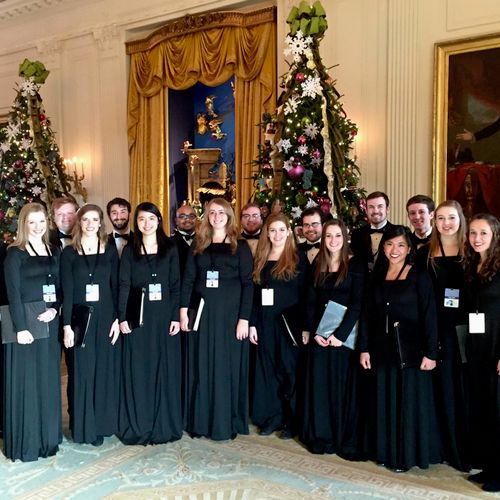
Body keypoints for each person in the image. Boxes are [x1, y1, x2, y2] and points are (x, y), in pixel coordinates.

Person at [359, 225, 440, 472]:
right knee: (384, 399)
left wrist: (431, 353)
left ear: (409, 249)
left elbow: (429, 316)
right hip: (381, 348)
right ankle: (384, 451)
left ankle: (404, 456)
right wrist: (364, 348)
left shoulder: (419, 275)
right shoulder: (377, 275)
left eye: (401, 245)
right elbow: (367, 315)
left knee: (407, 401)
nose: (395, 250)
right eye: (390, 244)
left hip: (411, 350)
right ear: (383, 247)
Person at [180, 197, 253, 440]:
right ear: (207, 216)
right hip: (202, 315)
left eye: (221, 212)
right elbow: (188, 279)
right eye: (212, 212)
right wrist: (182, 311)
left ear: (229, 215)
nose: (217, 216)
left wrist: (244, 318)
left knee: (226, 366)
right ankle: (201, 422)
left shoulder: (240, 246)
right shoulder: (198, 245)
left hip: (231, 318)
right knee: (202, 365)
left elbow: (248, 283)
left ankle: (225, 422)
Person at [118, 202, 182, 445]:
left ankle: (164, 423)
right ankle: (141, 422)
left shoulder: (170, 248)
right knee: (140, 367)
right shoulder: (129, 250)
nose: (147, 224)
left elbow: (175, 285)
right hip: (138, 317)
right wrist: (123, 318)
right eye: (142, 219)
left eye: (151, 219)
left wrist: (176, 316)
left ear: (159, 221)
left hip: (164, 317)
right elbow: (124, 284)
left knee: (163, 368)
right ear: (136, 222)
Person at [300, 219, 365, 457]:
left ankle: (340, 436)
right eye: (328, 236)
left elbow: (358, 304)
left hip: (343, 339)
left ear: (345, 238)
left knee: (340, 387)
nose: (333, 241)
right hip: (319, 336)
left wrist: (339, 335)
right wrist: (311, 330)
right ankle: (321, 434)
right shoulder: (318, 262)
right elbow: (309, 299)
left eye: (337, 236)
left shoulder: (355, 264)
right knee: (320, 387)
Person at [3, 203, 62, 461]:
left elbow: (59, 287)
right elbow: (12, 294)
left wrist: (54, 310)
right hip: (24, 328)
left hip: (47, 322)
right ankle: (27, 443)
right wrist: (21, 329)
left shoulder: (52, 249)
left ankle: (47, 439)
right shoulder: (14, 254)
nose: (37, 227)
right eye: (32, 222)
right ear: (24, 225)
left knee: (47, 380)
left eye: (41, 222)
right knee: (26, 383)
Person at [61, 204, 120, 446]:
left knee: (104, 372)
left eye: (95, 219)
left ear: (100, 223)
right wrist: (66, 326)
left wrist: (118, 319)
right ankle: (85, 428)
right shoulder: (69, 253)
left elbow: (115, 286)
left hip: (106, 318)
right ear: (79, 222)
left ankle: (103, 425)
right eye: (85, 219)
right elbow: (66, 290)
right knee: (82, 372)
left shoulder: (109, 250)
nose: (90, 224)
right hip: (79, 320)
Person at [417, 200, 470, 471]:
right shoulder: (426, 253)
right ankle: (440, 447)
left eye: (451, 217)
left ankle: (462, 448)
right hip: (435, 327)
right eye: (440, 218)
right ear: (434, 222)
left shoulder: (471, 250)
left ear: (460, 219)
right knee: (438, 389)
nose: (446, 223)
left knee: (461, 390)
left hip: (465, 329)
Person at [249, 213, 307, 439]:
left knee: (289, 372)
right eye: (272, 230)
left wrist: (304, 327)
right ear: (267, 233)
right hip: (265, 322)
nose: (277, 234)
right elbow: (254, 294)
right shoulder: (260, 258)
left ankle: (291, 420)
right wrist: (253, 324)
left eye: (282, 229)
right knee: (268, 371)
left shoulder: (298, 258)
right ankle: (271, 418)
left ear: (289, 232)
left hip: (288, 324)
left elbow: (305, 296)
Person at [463, 213, 500, 492]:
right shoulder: (474, 264)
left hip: (497, 345)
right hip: (477, 345)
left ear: (495, 235)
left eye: (483, 233)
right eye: (473, 233)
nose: (477, 238)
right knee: (484, 407)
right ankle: (489, 465)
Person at [350, 191, 395, 270]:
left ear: (387, 209)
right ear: (366, 210)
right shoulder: (356, 234)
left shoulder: (398, 233)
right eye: (371, 207)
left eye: (380, 206)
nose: (375, 211)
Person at [171, 203, 197, 276]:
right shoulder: (168, 243)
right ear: (176, 221)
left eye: (191, 216)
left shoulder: (204, 241)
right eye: (182, 216)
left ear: (196, 220)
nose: (187, 219)